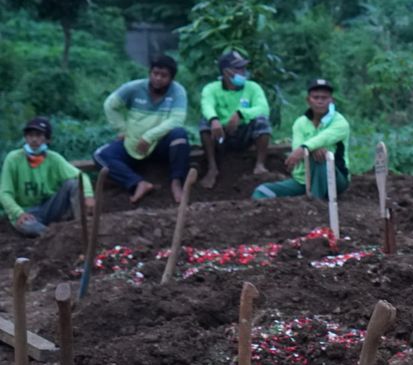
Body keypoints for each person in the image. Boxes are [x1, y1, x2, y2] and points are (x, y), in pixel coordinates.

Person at [93, 55, 190, 204]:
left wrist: (149, 136)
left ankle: (176, 182)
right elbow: (110, 105)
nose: (158, 78)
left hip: (159, 144)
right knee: (101, 155)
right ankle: (137, 183)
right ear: (149, 73)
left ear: (171, 78)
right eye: (155, 73)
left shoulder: (178, 91)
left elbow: (177, 119)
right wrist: (122, 129)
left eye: (164, 76)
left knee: (180, 135)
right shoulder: (134, 87)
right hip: (133, 143)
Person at [252, 79, 349, 201]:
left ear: (331, 101)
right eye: (316, 97)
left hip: (335, 179)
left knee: (322, 157)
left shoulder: (339, 122)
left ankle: (315, 204)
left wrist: (306, 148)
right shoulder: (300, 123)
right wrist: (307, 149)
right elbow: (296, 147)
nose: (320, 101)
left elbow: (325, 137)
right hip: (303, 180)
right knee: (262, 191)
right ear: (308, 100)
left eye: (324, 98)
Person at [1, 117, 93, 236]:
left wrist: (88, 195)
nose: (34, 139)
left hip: (50, 206)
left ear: (47, 139)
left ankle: (80, 226)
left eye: (39, 135)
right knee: (29, 227)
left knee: (73, 184)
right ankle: (52, 234)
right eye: (30, 135)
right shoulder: (13, 159)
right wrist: (18, 213)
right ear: (25, 137)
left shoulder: (53, 158)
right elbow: (5, 192)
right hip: (27, 212)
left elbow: (80, 175)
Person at [198, 50, 272, 189]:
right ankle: (212, 168)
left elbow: (263, 108)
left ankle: (260, 164)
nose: (243, 71)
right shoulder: (211, 88)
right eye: (238, 68)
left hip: (244, 134)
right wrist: (214, 119)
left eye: (244, 68)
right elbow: (206, 105)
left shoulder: (253, 87)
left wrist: (241, 114)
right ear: (226, 72)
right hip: (220, 135)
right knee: (204, 121)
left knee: (262, 120)